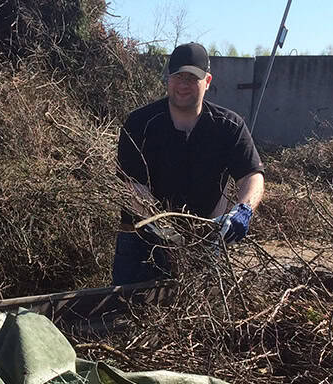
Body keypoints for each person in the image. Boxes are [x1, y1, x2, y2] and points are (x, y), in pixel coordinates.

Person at [114, 42, 266, 285]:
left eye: (192, 78)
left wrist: (244, 208)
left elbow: (252, 174)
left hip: (203, 243)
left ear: (207, 81)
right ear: (168, 79)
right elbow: (131, 185)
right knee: (126, 315)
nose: (183, 84)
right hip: (140, 242)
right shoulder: (140, 123)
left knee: (198, 314)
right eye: (178, 76)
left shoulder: (229, 126)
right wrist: (167, 231)